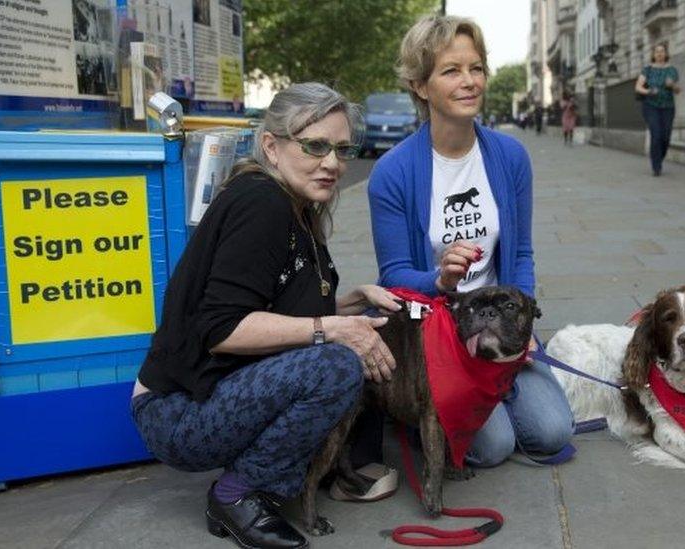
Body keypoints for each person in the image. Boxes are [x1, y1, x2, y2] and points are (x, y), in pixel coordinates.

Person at [131, 83, 402, 549]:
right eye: (315, 146)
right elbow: (222, 329)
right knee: (335, 363)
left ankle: (308, 468)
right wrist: (333, 328)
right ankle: (237, 496)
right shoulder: (261, 203)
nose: (333, 163)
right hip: (177, 413)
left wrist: (349, 304)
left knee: (355, 333)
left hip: (207, 396)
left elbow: (271, 309)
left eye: (341, 149)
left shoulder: (292, 204)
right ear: (272, 147)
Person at [367, 15, 574, 468]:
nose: (469, 82)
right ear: (421, 86)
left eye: (475, 68)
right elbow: (394, 277)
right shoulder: (393, 173)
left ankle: (492, 384)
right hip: (441, 330)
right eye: (451, 71)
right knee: (493, 447)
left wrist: (521, 327)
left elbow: (520, 253)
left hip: (500, 320)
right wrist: (439, 278)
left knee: (554, 432)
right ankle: (421, 405)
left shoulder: (510, 156)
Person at [635, 43, 681, 176]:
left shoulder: (672, 70)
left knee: (665, 137)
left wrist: (672, 85)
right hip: (651, 106)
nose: (659, 54)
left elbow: (678, 90)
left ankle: (658, 158)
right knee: (656, 135)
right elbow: (638, 87)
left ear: (666, 54)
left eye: (662, 51)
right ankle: (656, 167)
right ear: (653, 54)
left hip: (668, 107)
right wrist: (649, 91)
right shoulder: (647, 69)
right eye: (657, 51)